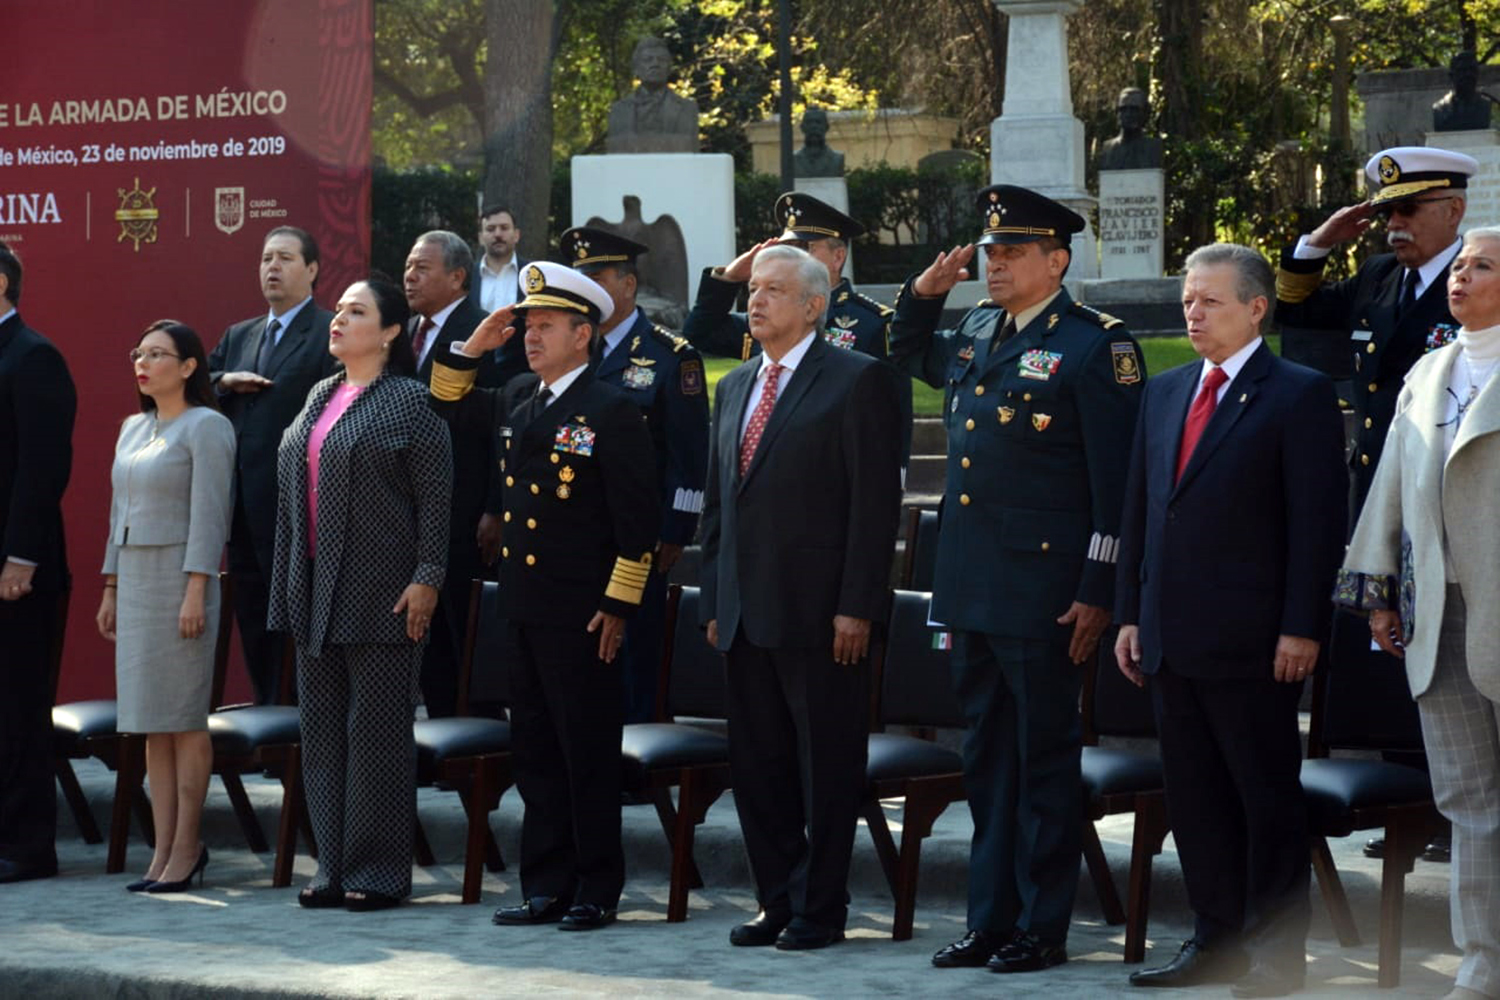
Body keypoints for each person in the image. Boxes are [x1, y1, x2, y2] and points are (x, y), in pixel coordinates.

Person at [889, 185, 1145, 973]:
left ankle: (1043, 925)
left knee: (1041, 764)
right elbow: (906, 356)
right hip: (971, 588)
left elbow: (1116, 487)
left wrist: (1099, 591)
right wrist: (920, 298)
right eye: (991, 253)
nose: (994, 265)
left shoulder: (1096, 346)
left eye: (1012, 254)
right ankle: (989, 920)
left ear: (1056, 261)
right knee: (986, 764)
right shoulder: (973, 330)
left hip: (1045, 599)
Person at [1115, 243, 1347, 997]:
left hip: (1255, 642)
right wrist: (1129, 613)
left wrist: (1302, 626)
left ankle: (1278, 957)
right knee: (1197, 803)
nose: (1193, 312)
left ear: (1255, 308)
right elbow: (1142, 512)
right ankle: (1212, 941)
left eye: (1209, 301)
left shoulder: (1297, 394)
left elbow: (1316, 524)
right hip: (1170, 637)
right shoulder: (1166, 391)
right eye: (1188, 300)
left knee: (1264, 798)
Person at [430, 262, 658, 932]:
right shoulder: (520, 396)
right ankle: (546, 884)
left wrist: (617, 606)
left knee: (584, 751)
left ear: (583, 335)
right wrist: (478, 342)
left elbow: (636, 520)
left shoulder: (612, 408)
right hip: (524, 608)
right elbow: (445, 400)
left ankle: (595, 887)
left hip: (584, 611)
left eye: (546, 326)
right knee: (534, 750)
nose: (530, 336)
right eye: (527, 324)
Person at [699, 244, 903, 951]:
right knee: (759, 769)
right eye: (753, 290)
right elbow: (720, 506)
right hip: (746, 613)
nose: (756, 301)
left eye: (774, 291)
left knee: (825, 769)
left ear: (814, 305)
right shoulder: (735, 386)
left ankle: (821, 908)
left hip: (822, 614)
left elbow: (874, 509)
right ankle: (776, 899)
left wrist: (859, 604)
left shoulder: (856, 381)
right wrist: (713, 600)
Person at [1276, 145, 1477, 862]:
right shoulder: (1378, 280)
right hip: (1379, 493)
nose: (1394, 224)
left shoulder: (1478, 286)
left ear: (1453, 210)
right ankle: (1412, 804)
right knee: (1391, 647)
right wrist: (1317, 245)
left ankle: (1458, 810)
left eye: (1409, 209)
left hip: (1450, 500)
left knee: (1448, 653)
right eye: (1387, 211)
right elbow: (1293, 310)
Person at [1334, 226, 1500, 1000]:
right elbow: (1390, 490)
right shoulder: (1427, 372)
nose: (1461, 276)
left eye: (1482, 266)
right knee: (1468, 797)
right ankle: (1482, 960)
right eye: (1459, 264)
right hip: (1440, 609)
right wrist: (1375, 594)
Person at [268, 277, 452, 912]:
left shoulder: (408, 400)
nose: (339, 320)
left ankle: (377, 872)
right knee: (321, 732)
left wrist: (427, 576)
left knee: (374, 736)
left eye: (357, 311)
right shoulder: (321, 394)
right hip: (316, 588)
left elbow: (435, 498)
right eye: (339, 309)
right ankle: (332, 866)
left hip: (384, 591)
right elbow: (292, 499)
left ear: (392, 330)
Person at [97, 321, 235, 893]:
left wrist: (197, 588)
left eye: (158, 354)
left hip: (181, 579)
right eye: (139, 352)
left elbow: (210, 515)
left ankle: (187, 847)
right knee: (151, 724)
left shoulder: (208, 426)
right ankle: (160, 850)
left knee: (182, 719)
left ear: (188, 367)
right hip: (135, 581)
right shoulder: (133, 427)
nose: (144, 362)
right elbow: (116, 513)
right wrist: (110, 587)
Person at [559, 225, 709, 724]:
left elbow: (689, 452)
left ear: (628, 284)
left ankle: (635, 758)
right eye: (581, 278)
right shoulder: (570, 345)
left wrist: (675, 529)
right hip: (577, 529)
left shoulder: (669, 355)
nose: (587, 287)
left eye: (597, 276)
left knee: (634, 650)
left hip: (637, 535)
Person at [684, 191, 914, 467]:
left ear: (838, 256)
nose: (792, 258)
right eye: (787, 248)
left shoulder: (873, 323)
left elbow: (891, 419)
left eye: (804, 249)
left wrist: (890, 487)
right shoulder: (766, 316)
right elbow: (700, 332)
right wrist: (728, 278)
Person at [210, 226, 337, 705]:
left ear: (312, 269)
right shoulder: (239, 335)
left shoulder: (328, 331)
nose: (272, 268)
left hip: (298, 510)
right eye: (266, 259)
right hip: (242, 509)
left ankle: (298, 733)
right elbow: (199, 379)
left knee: (295, 625)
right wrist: (226, 380)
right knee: (253, 618)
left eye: (284, 258)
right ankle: (268, 727)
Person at [0, 241, 76, 885]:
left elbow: (42, 469)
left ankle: (27, 846)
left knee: (17, 706)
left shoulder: (34, 357)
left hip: (15, 572)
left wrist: (20, 555)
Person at [404, 230, 502, 719]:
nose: (410, 276)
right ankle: (442, 743)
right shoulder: (405, 332)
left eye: (422, 267)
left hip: (467, 512)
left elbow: (498, 428)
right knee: (429, 634)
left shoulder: (483, 330)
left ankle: (478, 748)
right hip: (414, 510)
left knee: (466, 628)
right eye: (408, 267)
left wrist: (494, 506)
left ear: (458, 276)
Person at [467, 204, 530, 386]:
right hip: (475, 377)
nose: (498, 234)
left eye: (504, 228)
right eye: (490, 229)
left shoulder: (532, 276)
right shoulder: (466, 278)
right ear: (480, 237)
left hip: (522, 376)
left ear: (516, 234)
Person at [605, 36, 700, 154]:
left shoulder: (687, 109)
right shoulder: (619, 111)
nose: (655, 64)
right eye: (648, 60)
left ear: (669, 68)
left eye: (661, 60)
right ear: (636, 68)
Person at [1098, 87, 1163, 171]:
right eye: (1123, 109)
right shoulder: (1107, 149)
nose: (1128, 114)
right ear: (1117, 113)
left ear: (1146, 113)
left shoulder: (1154, 147)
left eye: (1134, 109)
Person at [1433, 50, 1492, 132]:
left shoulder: (1488, 107)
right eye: (1462, 71)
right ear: (1451, 76)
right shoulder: (1440, 109)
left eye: (1472, 70)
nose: (1468, 75)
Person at [793, 108, 845, 177]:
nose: (814, 126)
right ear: (802, 128)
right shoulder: (793, 160)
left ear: (826, 127)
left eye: (818, 122)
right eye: (809, 122)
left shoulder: (837, 159)